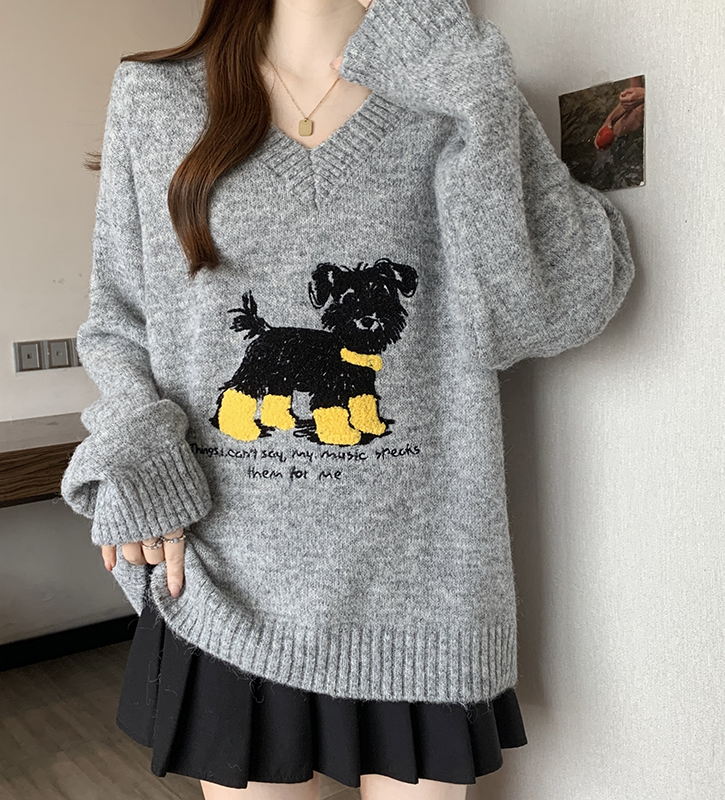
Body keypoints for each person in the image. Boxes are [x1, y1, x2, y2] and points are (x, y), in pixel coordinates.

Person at [60, 0, 636, 798]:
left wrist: (470, 82)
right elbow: (120, 323)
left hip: (427, 588)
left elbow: (559, 310)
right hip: (227, 582)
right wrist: (138, 453)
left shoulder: (448, 81)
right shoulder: (155, 98)